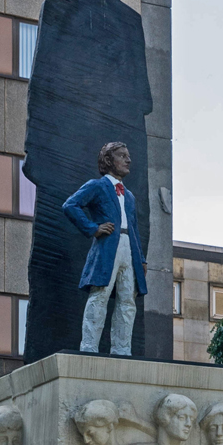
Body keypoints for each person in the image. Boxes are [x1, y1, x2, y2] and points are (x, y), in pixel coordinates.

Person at [22, 0, 152, 361]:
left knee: (124, 289)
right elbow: (42, 87)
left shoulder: (130, 23)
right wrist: (38, 156)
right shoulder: (59, 10)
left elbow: (141, 103)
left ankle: (118, 352)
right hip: (63, 163)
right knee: (57, 273)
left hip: (115, 155)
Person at [63, 142, 147, 356]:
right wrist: (93, 228)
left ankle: (122, 350)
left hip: (129, 249)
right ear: (109, 160)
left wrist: (141, 259)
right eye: (122, 156)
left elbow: (135, 228)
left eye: (128, 156)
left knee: (128, 301)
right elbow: (70, 205)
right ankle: (89, 347)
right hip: (108, 248)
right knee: (99, 295)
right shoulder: (97, 185)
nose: (128, 160)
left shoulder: (129, 196)